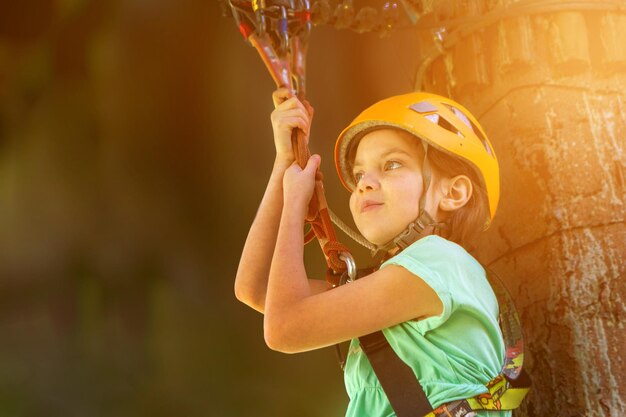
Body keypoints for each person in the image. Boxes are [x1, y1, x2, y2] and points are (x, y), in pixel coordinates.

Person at [234, 87, 510, 417]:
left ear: (453, 193)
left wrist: (295, 203)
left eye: (392, 165)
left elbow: (284, 327)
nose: (364, 183)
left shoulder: (440, 262)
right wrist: (284, 165)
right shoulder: (402, 285)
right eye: (360, 174)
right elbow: (256, 287)